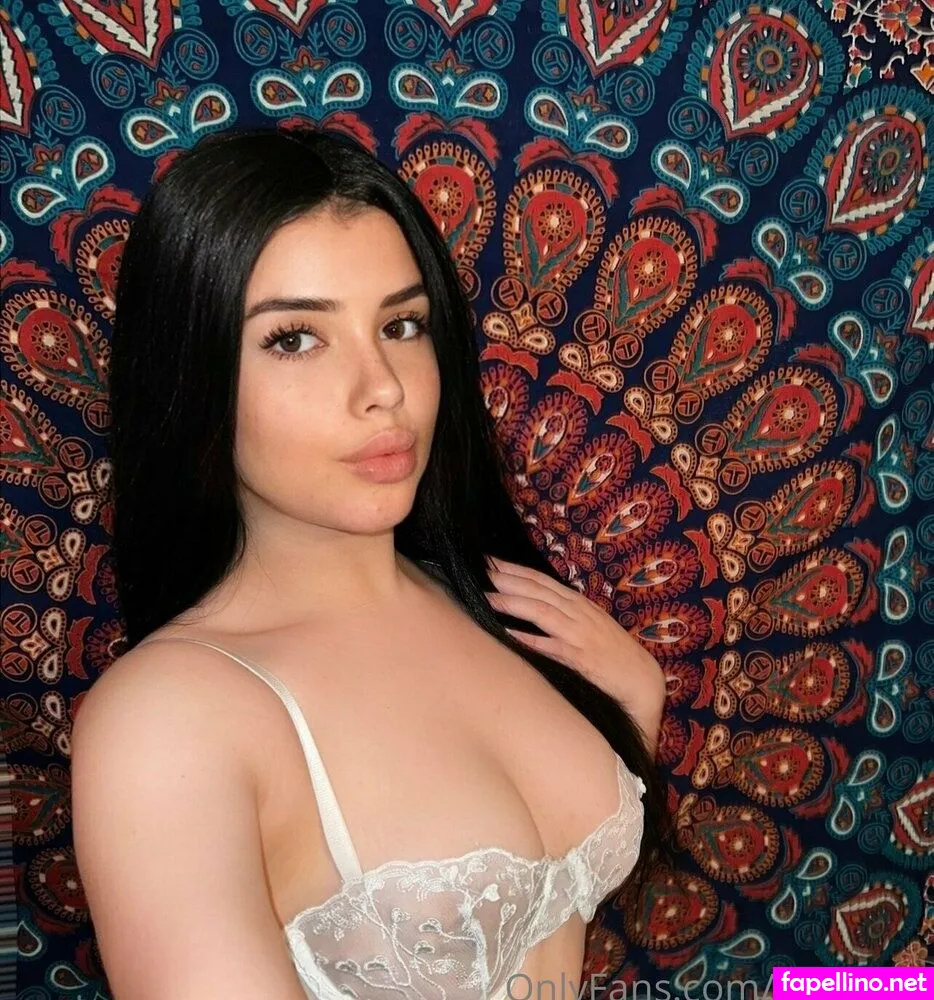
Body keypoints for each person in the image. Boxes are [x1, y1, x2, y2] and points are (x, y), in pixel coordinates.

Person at [70, 126, 673, 1000]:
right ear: (190, 371)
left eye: (401, 324)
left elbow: (548, 913)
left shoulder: (486, 598)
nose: (383, 385)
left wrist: (631, 708)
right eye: (294, 339)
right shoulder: (167, 723)